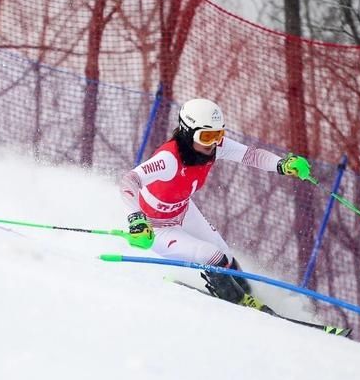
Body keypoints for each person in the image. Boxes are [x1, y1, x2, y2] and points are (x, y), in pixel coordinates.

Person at [119, 98, 315, 310]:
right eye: (207, 136)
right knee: (212, 256)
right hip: (155, 227)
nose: (213, 142)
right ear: (187, 131)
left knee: (226, 256)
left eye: (218, 134)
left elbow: (251, 156)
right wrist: (136, 219)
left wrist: (281, 164)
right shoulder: (169, 159)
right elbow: (129, 181)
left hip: (183, 211)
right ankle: (237, 302)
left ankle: (249, 296)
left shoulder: (213, 148)